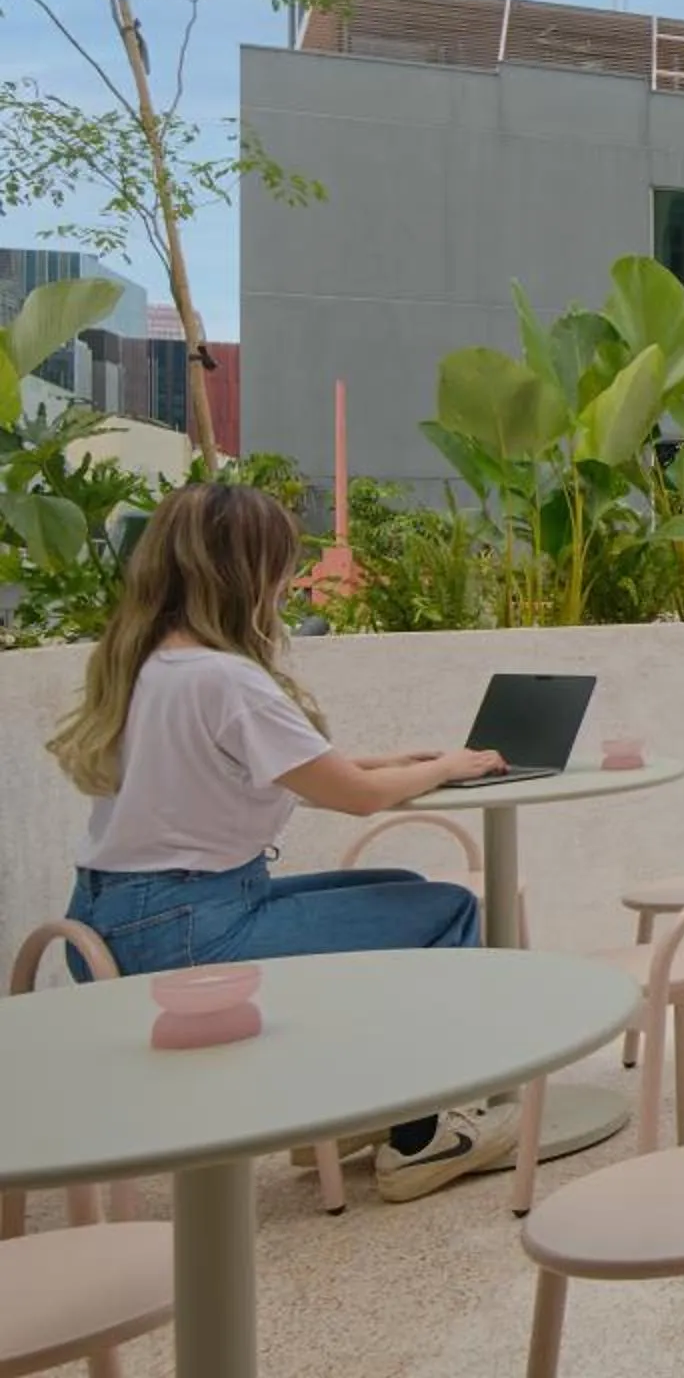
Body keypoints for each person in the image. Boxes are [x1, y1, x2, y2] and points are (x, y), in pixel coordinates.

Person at [47, 482, 522, 1202]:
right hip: (191, 933)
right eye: (281, 564)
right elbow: (352, 799)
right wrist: (451, 765)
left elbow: (295, 771)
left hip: (109, 919)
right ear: (245, 574)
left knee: (394, 886)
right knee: (446, 910)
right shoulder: (227, 678)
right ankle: (425, 1135)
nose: (288, 580)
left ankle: (373, 1101)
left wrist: (397, 761)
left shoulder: (146, 662)